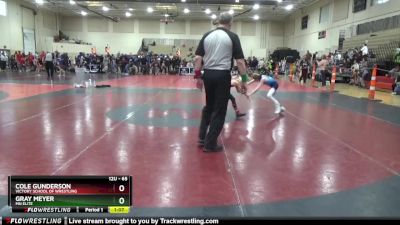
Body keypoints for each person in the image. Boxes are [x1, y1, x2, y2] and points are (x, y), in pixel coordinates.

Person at [194, 12, 248, 152]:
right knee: (219, 109)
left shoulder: (207, 35)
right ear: (230, 23)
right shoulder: (232, 36)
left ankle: (201, 137)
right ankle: (210, 144)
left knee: (209, 106)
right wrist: (244, 80)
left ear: (218, 22)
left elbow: (197, 59)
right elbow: (240, 62)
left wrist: (198, 77)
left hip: (208, 75)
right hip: (222, 75)